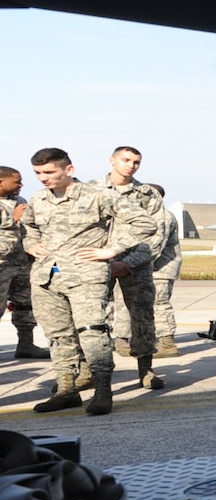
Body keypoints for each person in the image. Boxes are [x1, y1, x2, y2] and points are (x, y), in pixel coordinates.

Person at [22, 148, 148, 415]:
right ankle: (67, 389)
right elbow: (29, 227)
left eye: (49, 172)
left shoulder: (98, 195)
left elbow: (143, 223)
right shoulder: (38, 199)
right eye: (37, 173)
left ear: (69, 170)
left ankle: (103, 391)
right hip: (47, 278)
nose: (43, 178)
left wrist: (112, 250)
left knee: (92, 333)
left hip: (86, 277)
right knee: (58, 336)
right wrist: (31, 244)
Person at [99, 145, 165, 387]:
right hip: (98, 263)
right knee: (94, 318)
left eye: (136, 162)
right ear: (112, 160)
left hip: (136, 265)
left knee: (142, 317)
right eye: (125, 160)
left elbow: (156, 234)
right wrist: (108, 262)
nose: (131, 165)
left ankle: (145, 370)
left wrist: (127, 262)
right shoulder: (91, 191)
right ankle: (91, 370)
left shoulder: (147, 194)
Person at [111, 183, 180, 367]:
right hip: (142, 267)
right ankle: (122, 339)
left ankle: (167, 342)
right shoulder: (141, 215)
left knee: (159, 304)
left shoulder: (163, 216)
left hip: (159, 269)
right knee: (124, 304)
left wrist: (128, 263)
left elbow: (154, 247)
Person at [0, 166, 49, 360]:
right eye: (17, 181)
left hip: (22, 262)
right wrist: (12, 220)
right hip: (2, 263)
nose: (21, 185)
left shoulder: (19, 201)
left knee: (25, 304)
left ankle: (26, 344)